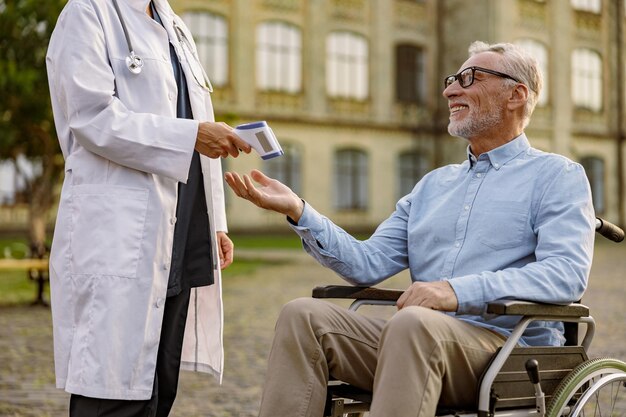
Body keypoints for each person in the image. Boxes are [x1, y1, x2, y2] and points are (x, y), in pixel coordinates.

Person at [224, 41, 596, 417]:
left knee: (413, 324)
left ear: (516, 94)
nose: (450, 90)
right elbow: (367, 264)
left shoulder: (557, 176)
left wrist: (455, 291)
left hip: (506, 352)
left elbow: (564, 275)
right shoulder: (433, 185)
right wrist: (299, 210)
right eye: (452, 79)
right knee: (301, 315)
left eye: (469, 78)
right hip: (417, 340)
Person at [46, 0, 252, 415]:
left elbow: (196, 116)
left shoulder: (175, 26)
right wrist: (192, 135)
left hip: (181, 230)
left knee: (160, 387)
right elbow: (93, 119)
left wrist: (215, 221)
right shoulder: (87, 12)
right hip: (120, 235)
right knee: (112, 392)